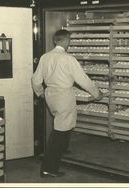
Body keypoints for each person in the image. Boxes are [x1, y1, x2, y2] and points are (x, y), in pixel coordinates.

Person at [31, 29, 103, 178]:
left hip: (50, 95)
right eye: (69, 40)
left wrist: (40, 93)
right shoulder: (68, 59)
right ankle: (48, 168)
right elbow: (83, 80)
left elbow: (35, 80)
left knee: (62, 124)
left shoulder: (45, 57)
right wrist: (97, 93)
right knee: (59, 131)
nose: (69, 43)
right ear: (64, 41)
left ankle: (62, 149)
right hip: (64, 96)